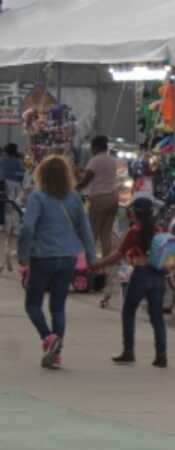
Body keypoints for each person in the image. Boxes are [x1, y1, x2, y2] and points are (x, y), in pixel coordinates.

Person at [18, 155, 97, 370]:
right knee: (58, 307)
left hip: (43, 257)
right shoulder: (74, 198)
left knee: (33, 304)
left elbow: (27, 228)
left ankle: (47, 337)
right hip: (68, 258)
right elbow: (85, 230)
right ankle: (56, 355)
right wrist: (91, 258)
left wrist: (23, 253)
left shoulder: (37, 197)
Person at [91, 198, 168, 367]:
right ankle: (161, 354)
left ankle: (128, 351)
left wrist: (98, 264)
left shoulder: (134, 231)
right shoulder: (159, 230)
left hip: (141, 274)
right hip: (158, 275)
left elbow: (118, 255)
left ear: (135, 213)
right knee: (157, 317)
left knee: (129, 311)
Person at [77, 136, 120, 306]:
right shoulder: (112, 160)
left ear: (95, 147)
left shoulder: (94, 161)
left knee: (91, 235)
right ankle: (107, 270)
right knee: (106, 236)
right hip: (113, 198)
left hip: (99, 198)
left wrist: (75, 188)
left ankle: (90, 270)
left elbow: (87, 179)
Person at [0, 143, 25, 270]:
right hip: (16, 197)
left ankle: (3, 260)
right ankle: (8, 255)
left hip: (4, 197)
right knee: (13, 231)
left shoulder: (2, 161)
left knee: (4, 231)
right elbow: (22, 181)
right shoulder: (20, 164)